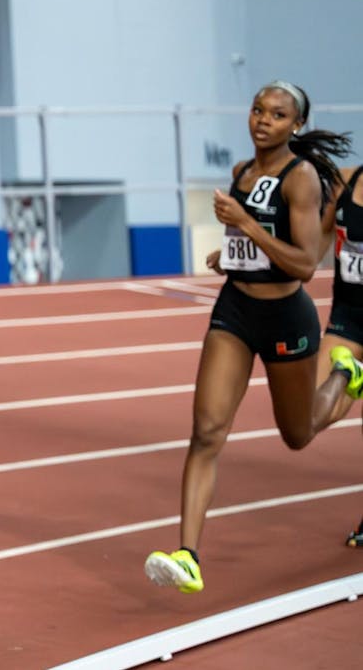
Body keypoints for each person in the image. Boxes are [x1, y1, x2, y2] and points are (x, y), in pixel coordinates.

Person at [145, 80, 352, 593]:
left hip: (286, 318)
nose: (263, 120)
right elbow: (252, 244)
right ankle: (188, 555)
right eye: (258, 110)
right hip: (236, 311)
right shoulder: (242, 170)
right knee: (207, 431)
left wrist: (246, 226)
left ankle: (347, 374)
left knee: (297, 435)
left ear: (295, 125)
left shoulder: (299, 178)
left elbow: (305, 263)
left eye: (277, 115)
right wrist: (230, 254)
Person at [313, 160, 363, 547]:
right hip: (347, 318)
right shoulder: (346, 181)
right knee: (311, 416)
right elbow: (313, 248)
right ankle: (351, 372)